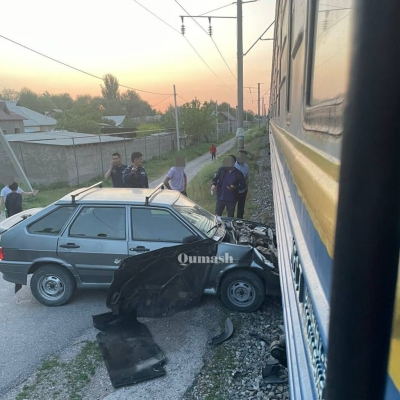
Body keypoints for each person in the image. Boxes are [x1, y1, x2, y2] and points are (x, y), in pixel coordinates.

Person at [234, 150, 250, 219]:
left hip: (243, 190)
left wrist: (246, 188)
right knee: (231, 207)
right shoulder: (233, 165)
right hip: (234, 190)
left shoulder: (246, 167)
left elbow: (246, 178)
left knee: (241, 208)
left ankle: (239, 221)